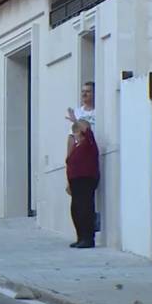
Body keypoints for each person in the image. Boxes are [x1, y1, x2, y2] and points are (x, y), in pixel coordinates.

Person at [66, 120, 99, 249]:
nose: (74, 135)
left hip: (86, 179)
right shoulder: (76, 147)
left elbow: (87, 130)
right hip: (75, 182)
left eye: (75, 132)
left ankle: (88, 238)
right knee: (76, 209)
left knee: (85, 208)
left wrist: (75, 119)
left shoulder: (89, 143)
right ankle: (80, 237)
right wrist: (69, 182)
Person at [66, 81, 95, 157]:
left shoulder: (98, 112)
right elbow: (71, 135)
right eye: (83, 91)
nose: (84, 94)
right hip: (79, 151)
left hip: (92, 149)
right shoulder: (77, 112)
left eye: (88, 91)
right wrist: (69, 157)